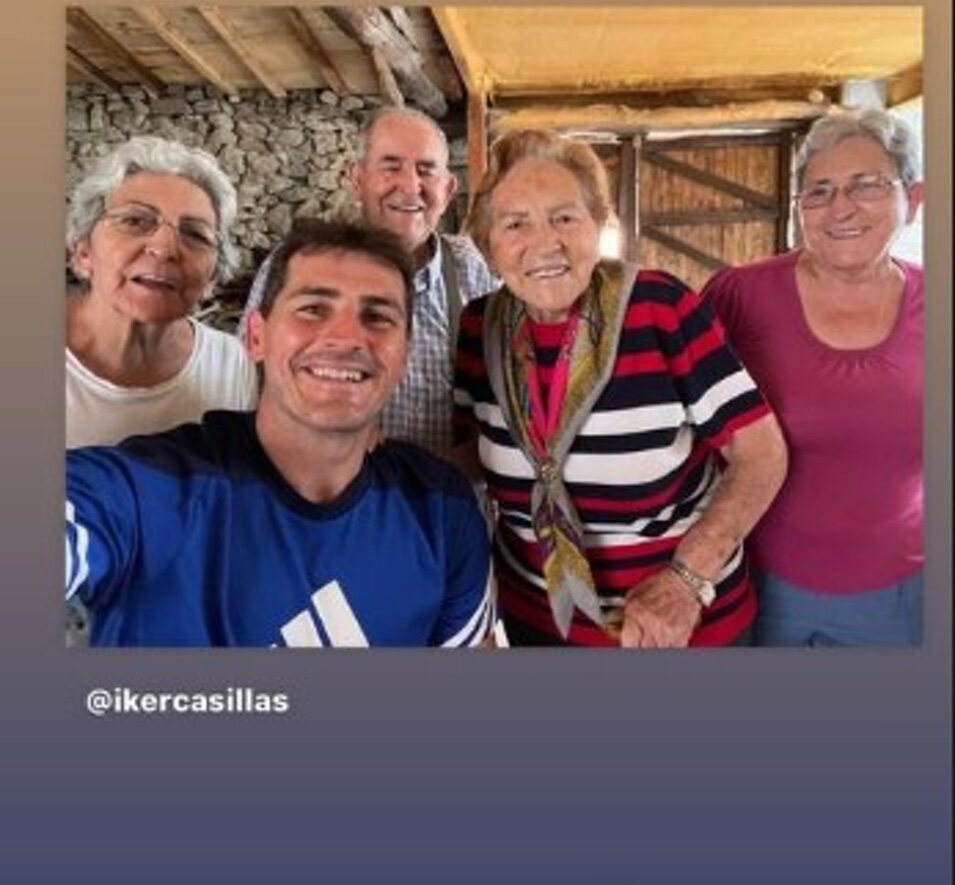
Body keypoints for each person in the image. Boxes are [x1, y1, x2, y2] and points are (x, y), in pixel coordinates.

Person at [66, 221, 495, 648]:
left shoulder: (439, 508)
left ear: (404, 356)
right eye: (313, 309)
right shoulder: (152, 491)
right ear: (256, 337)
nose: (346, 336)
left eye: (378, 316)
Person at [454, 130, 788, 648]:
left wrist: (687, 579)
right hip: (538, 624)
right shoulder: (480, 328)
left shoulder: (659, 308)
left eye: (565, 217)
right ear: (488, 245)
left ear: (599, 226)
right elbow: (470, 457)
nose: (545, 243)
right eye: (515, 223)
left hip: (678, 629)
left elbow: (761, 453)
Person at [703, 109, 924, 647]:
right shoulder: (737, 296)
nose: (840, 208)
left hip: (901, 595)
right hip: (757, 585)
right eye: (818, 192)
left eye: (865, 185)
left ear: (913, 200)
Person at [243, 106, 495, 451]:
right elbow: (247, 385)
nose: (410, 186)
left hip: (436, 496)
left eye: (426, 170)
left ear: (449, 189)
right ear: (357, 180)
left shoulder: (468, 267)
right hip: (318, 493)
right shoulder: (297, 264)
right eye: (391, 167)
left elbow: (492, 396)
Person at [67, 136, 257, 448]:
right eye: (135, 221)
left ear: (212, 278)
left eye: (195, 234)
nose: (164, 248)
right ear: (83, 251)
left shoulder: (232, 366)